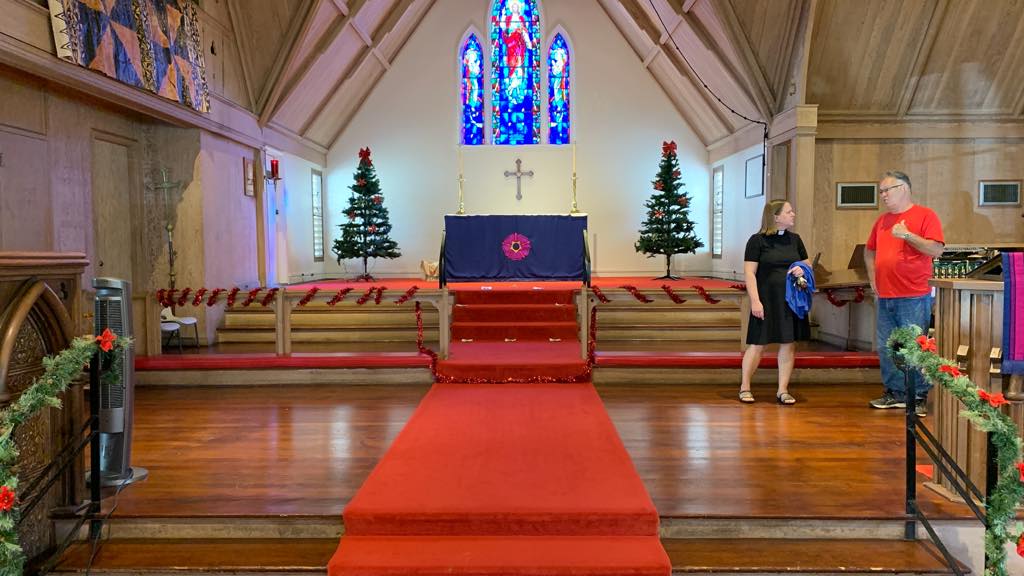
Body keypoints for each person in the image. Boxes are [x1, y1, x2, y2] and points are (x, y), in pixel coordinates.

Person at [865, 171, 944, 416]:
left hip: (913, 294)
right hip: (885, 294)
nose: (883, 196)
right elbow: (869, 251)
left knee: (914, 347)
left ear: (903, 189)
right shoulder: (882, 221)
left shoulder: (925, 215)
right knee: (887, 347)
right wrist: (872, 277)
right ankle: (896, 393)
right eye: (881, 191)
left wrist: (907, 235)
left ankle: (918, 395)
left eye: (886, 190)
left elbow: (936, 249)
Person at [739, 200, 812, 405]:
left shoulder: (795, 240)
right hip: (766, 300)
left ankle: (783, 390)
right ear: (776, 216)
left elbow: (808, 265)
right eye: (789, 211)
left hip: (790, 300)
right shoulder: (757, 241)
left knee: (788, 344)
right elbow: (749, 273)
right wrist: (755, 301)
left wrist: (802, 269)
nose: (793, 214)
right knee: (757, 345)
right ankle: (745, 387)